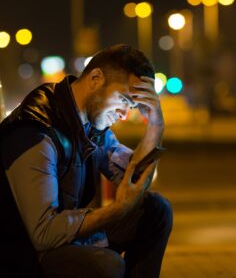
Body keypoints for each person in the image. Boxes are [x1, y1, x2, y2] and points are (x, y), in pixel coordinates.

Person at [0, 44, 173, 278]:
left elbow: (134, 179)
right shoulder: (36, 131)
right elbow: (43, 234)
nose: (125, 114)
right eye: (123, 99)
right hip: (22, 254)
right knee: (107, 266)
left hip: (61, 239)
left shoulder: (90, 123)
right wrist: (118, 209)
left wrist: (156, 125)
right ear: (95, 78)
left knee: (156, 210)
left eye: (132, 106)